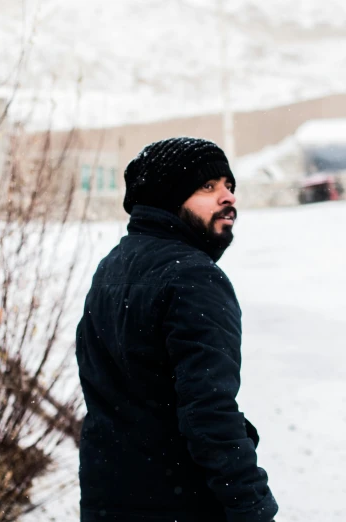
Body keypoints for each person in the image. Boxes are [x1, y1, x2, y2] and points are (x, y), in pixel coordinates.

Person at [76, 137, 278, 522]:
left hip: (109, 500)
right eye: (208, 187)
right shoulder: (194, 277)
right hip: (180, 504)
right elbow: (208, 412)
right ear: (169, 197)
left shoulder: (111, 268)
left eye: (229, 186)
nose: (228, 198)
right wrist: (252, 507)